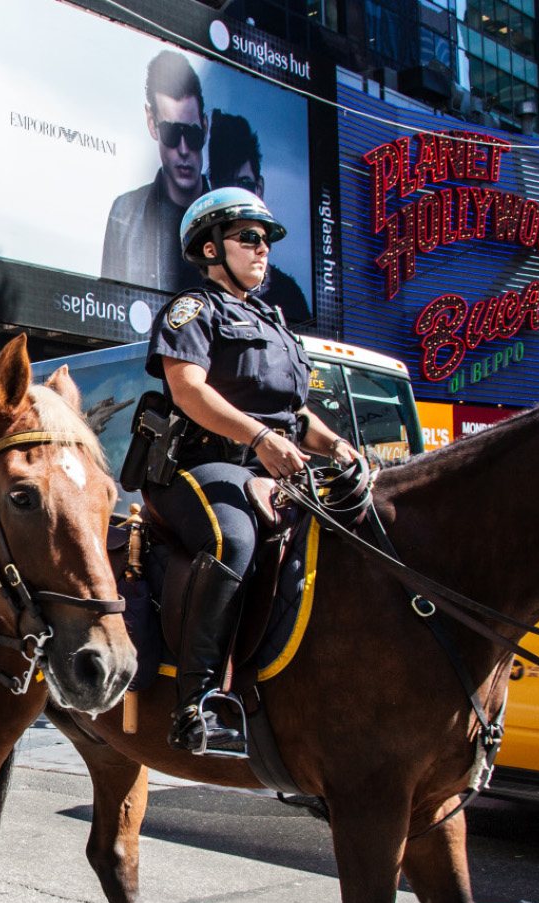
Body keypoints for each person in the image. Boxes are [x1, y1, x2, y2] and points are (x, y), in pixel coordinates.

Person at [142, 187, 358, 757]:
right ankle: (198, 702)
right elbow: (187, 389)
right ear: (211, 248)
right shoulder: (193, 309)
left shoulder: (274, 320)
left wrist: (337, 446)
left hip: (272, 472)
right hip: (197, 465)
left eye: (266, 241)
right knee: (231, 539)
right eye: (249, 238)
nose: (263, 250)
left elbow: (294, 413)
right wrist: (260, 438)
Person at [102, 52, 209, 294]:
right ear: (152, 125)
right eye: (172, 134)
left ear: (205, 126)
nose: (183, 150)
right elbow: (108, 300)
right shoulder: (124, 214)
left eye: (192, 135)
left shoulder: (226, 223)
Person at [205, 112, 312, 327]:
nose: (262, 249)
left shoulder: (290, 296)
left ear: (259, 187)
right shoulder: (195, 300)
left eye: (244, 184)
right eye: (247, 237)